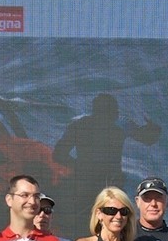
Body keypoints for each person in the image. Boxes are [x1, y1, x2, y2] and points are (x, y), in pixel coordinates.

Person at [52, 93, 161, 223]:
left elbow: (58, 154)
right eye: (115, 110)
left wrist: (79, 166)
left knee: (84, 219)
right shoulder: (121, 126)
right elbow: (148, 139)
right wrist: (154, 127)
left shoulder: (79, 125)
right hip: (110, 182)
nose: (117, 113)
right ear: (112, 113)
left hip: (84, 181)